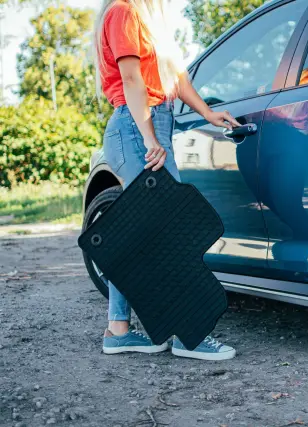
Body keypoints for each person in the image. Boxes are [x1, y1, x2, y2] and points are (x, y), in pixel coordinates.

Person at [93, 0, 241, 360]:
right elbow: (132, 79)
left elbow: (175, 76)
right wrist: (149, 138)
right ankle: (189, 334)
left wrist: (207, 112)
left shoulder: (148, 20)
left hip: (151, 123)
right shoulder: (124, 11)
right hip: (137, 127)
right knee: (171, 234)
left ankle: (118, 330)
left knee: (140, 236)